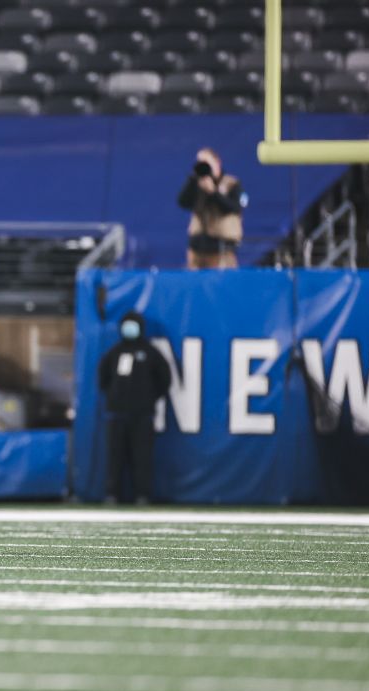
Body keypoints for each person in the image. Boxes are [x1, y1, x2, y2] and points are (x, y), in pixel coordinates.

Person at [97, 311, 171, 505]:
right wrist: (114, 398)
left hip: (143, 414)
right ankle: (112, 494)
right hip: (117, 413)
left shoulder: (150, 352)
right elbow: (103, 378)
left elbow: (165, 378)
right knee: (115, 456)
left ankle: (143, 495)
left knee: (142, 456)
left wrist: (149, 399)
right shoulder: (115, 352)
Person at [177, 147, 247, 270]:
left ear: (217, 162)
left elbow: (234, 207)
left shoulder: (231, 183)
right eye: (200, 162)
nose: (203, 166)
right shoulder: (196, 183)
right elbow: (182, 202)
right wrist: (192, 180)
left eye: (206, 163)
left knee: (221, 284)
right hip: (196, 249)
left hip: (221, 249)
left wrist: (213, 192)